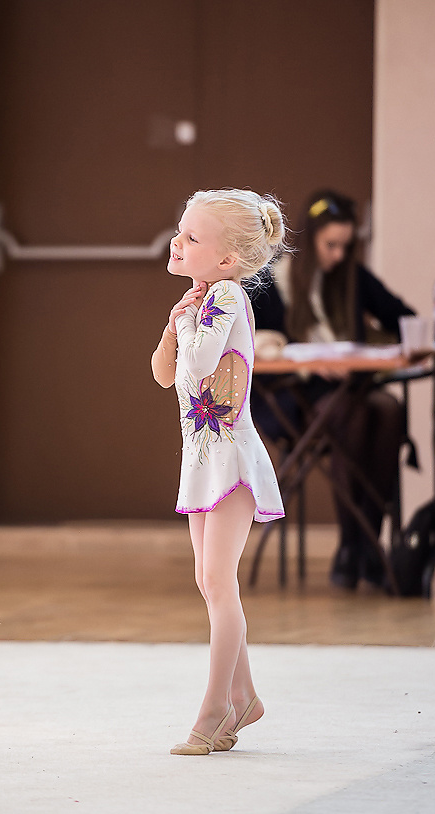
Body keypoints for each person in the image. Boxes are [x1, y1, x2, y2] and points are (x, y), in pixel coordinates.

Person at [151, 188, 285, 755]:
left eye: (192, 238)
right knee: (209, 581)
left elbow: (200, 365)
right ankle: (245, 695)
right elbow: (164, 375)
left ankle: (215, 711)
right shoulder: (200, 302)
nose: (177, 242)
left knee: (221, 585)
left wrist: (188, 325)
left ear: (227, 259)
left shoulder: (227, 296)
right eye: (180, 231)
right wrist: (173, 323)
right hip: (203, 461)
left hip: (231, 463)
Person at [247, 189, 415, 590]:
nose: (338, 255)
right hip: (293, 397)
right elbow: (249, 338)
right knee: (349, 417)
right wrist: (301, 357)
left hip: (349, 390)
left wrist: (375, 339)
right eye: (330, 245)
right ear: (310, 243)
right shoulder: (275, 280)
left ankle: (363, 546)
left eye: (346, 245)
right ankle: (355, 545)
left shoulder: (353, 278)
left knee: (388, 411)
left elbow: (405, 319)